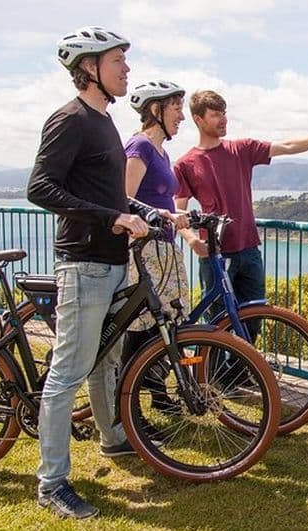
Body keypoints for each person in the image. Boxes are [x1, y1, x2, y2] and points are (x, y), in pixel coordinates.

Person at [26, 25, 151, 520]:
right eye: (118, 60)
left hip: (112, 262)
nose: (127, 69)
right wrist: (110, 217)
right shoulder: (71, 119)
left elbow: (110, 195)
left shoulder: (104, 122)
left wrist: (150, 213)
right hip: (84, 263)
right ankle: (52, 483)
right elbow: (40, 187)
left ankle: (113, 437)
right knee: (67, 373)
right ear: (89, 68)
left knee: (106, 360)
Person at [174, 89, 308, 328]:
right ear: (198, 119)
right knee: (217, 327)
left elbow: (287, 146)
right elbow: (178, 210)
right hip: (215, 255)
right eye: (216, 115)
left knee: (254, 321)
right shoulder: (185, 164)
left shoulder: (241, 149)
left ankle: (246, 356)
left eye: (224, 113)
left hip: (250, 250)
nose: (224, 119)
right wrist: (191, 240)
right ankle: (210, 355)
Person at [121, 80, 190, 412]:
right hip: (144, 248)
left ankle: (158, 394)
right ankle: (129, 403)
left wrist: (177, 215)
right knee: (142, 326)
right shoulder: (140, 147)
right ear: (155, 109)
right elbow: (124, 198)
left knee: (164, 323)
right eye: (176, 108)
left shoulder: (161, 151)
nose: (181, 116)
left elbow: (157, 199)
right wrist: (163, 215)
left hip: (163, 246)